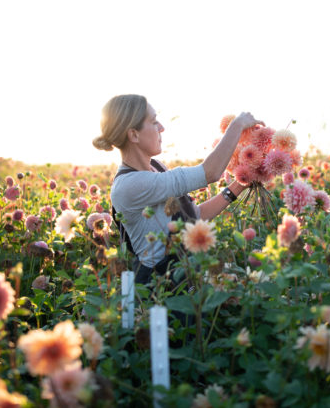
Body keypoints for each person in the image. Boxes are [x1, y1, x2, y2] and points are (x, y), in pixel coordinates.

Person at [92, 94, 262, 285]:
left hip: (183, 276)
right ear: (134, 134)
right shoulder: (129, 185)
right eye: (154, 121)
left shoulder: (156, 166)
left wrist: (241, 182)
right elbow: (210, 172)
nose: (162, 127)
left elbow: (193, 217)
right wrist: (237, 125)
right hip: (159, 287)